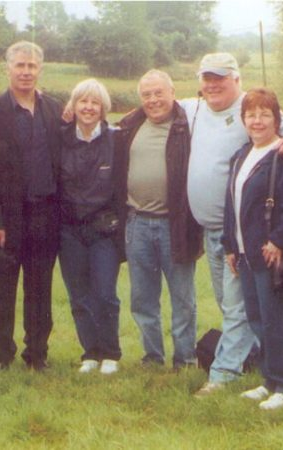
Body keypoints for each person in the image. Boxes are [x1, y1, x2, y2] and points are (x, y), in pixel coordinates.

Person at [180, 53, 283, 395]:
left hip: (256, 240)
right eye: (207, 78)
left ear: (237, 79)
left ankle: (225, 374)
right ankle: (268, 371)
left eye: (220, 77)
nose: (213, 84)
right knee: (242, 308)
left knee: (248, 311)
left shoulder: (258, 119)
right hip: (220, 235)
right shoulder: (197, 109)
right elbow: (154, 99)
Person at [0, 41, 63, 371]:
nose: (26, 71)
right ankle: (3, 355)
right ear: (8, 68)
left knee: (40, 288)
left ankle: (37, 353)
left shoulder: (55, 109)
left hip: (45, 213)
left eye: (32, 66)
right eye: (20, 65)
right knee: (3, 289)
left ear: (40, 69)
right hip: (6, 218)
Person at [221, 88, 283, 410]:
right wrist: (229, 244)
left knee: (278, 319)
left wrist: (280, 241)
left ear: (277, 119)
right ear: (243, 119)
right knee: (257, 318)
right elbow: (232, 204)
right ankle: (269, 378)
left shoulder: (282, 157)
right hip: (244, 254)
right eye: (251, 115)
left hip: (272, 254)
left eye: (264, 114)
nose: (257, 121)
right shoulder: (241, 155)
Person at [113, 69, 201, 370]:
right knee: (142, 298)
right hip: (136, 223)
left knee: (183, 298)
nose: (153, 100)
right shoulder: (128, 125)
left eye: (158, 93)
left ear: (173, 92)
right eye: (147, 95)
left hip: (174, 225)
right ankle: (152, 357)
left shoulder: (187, 124)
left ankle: (185, 359)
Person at [59, 79, 121, 375]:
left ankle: (110, 352)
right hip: (69, 230)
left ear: (103, 108)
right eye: (82, 101)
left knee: (105, 293)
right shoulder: (60, 138)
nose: (88, 107)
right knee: (79, 296)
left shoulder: (115, 139)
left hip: (103, 231)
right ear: (73, 106)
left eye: (94, 102)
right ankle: (90, 353)